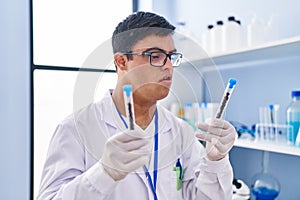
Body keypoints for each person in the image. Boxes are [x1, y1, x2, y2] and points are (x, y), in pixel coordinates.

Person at [37, 11, 236, 200]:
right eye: (155, 56)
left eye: (171, 56)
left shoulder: (180, 131)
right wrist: (104, 173)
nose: (167, 66)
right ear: (122, 61)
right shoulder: (76, 129)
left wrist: (215, 161)